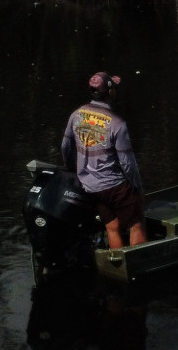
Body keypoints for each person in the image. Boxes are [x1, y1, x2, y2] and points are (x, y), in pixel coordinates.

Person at [60, 71, 146, 249]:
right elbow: (127, 164)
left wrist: (70, 168)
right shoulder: (117, 123)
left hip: (90, 186)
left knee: (112, 226)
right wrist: (137, 188)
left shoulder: (77, 114)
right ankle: (137, 263)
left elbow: (65, 147)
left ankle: (116, 266)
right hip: (114, 185)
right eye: (114, 88)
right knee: (136, 224)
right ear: (110, 92)